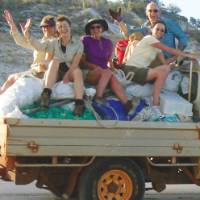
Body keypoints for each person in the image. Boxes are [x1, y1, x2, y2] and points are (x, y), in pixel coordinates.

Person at [122, 21, 196, 115]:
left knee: (165, 68)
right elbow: (168, 49)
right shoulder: (149, 38)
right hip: (131, 70)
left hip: (139, 71)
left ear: (164, 34)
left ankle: (154, 103)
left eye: (162, 30)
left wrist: (177, 59)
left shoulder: (157, 47)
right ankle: (155, 105)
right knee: (164, 69)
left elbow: (165, 62)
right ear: (152, 29)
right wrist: (187, 55)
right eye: (157, 29)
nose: (159, 31)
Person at [23, 15, 85, 116]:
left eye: (65, 26)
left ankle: (79, 104)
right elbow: (40, 46)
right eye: (59, 27)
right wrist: (27, 35)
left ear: (70, 27)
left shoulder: (79, 44)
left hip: (70, 70)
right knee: (55, 61)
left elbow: (75, 63)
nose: (63, 29)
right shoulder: (53, 42)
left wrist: (67, 75)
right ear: (57, 29)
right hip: (55, 72)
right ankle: (46, 95)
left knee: (77, 71)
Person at [81, 18, 133, 114]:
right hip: (90, 72)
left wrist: (113, 69)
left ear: (102, 28)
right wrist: (95, 67)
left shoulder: (107, 42)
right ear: (90, 30)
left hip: (104, 73)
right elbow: (82, 62)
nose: (95, 29)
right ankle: (98, 97)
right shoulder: (85, 40)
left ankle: (127, 104)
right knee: (107, 73)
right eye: (92, 28)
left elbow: (109, 61)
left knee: (111, 76)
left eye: (98, 27)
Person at [0, 10, 57, 95]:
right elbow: (22, 42)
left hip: (42, 73)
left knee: (12, 78)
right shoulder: (40, 41)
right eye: (43, 26)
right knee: (10, 79)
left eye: (49, 26)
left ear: (55, 28)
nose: (46, 28)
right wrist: (12, 25)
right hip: (35, 71)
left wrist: (27, 35)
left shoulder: (55, 41)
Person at [109, 1, 188, 59]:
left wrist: (178, 54)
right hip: (150, 57)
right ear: (146, 13)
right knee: (130, 41)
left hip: (166, 57)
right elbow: (129, 34)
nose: (153, 13)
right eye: (150, 11)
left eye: (155, 11)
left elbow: (183, 37)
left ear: (159, 12)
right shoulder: (145, 26)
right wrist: (120, 21)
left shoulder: (168, 23)